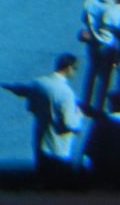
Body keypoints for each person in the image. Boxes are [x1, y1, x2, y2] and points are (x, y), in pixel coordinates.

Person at [26, 53, 84, 184]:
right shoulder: (66, 92)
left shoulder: (38, 83)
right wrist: (79, 117)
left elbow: (31, 108)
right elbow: (70, 124)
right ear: (69, 68)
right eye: (75, 69)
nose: (75, 73)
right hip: (59, 149)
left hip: (40, 144)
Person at [81, 0, 120, 111]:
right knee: (104, 78)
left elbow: (84, 18)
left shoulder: (92, 1)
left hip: (92, 43)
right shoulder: (119, 10)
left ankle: (85, 102)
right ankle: (99, 106)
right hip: (108, 46)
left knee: (91, 72)